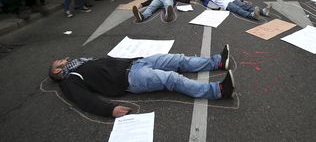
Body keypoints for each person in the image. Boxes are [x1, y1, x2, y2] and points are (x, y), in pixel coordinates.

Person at [48, 46, 234, 118]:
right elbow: (84, 99)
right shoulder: (70, 79)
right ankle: (219, 90)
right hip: (131, 79)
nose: (65, 58)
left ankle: (217, 61)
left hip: (136, 62)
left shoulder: (82, 64)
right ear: (57, 71)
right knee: (172, 79)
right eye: (60, 62)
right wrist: (109, 109)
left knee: (178, 59)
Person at [199, 0, 271, 20]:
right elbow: (209, 4)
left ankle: (263, 11)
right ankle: (252, 15)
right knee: (238, 9)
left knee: (246, 6)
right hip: (226, 4)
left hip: (232, 0)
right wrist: (218, 8)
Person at [132, 0, 196, 22]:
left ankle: (168, 16)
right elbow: (151, 0)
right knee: (152, 6)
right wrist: (142, 4)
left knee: (166, 5)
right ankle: (142, 16)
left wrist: (189, 1)